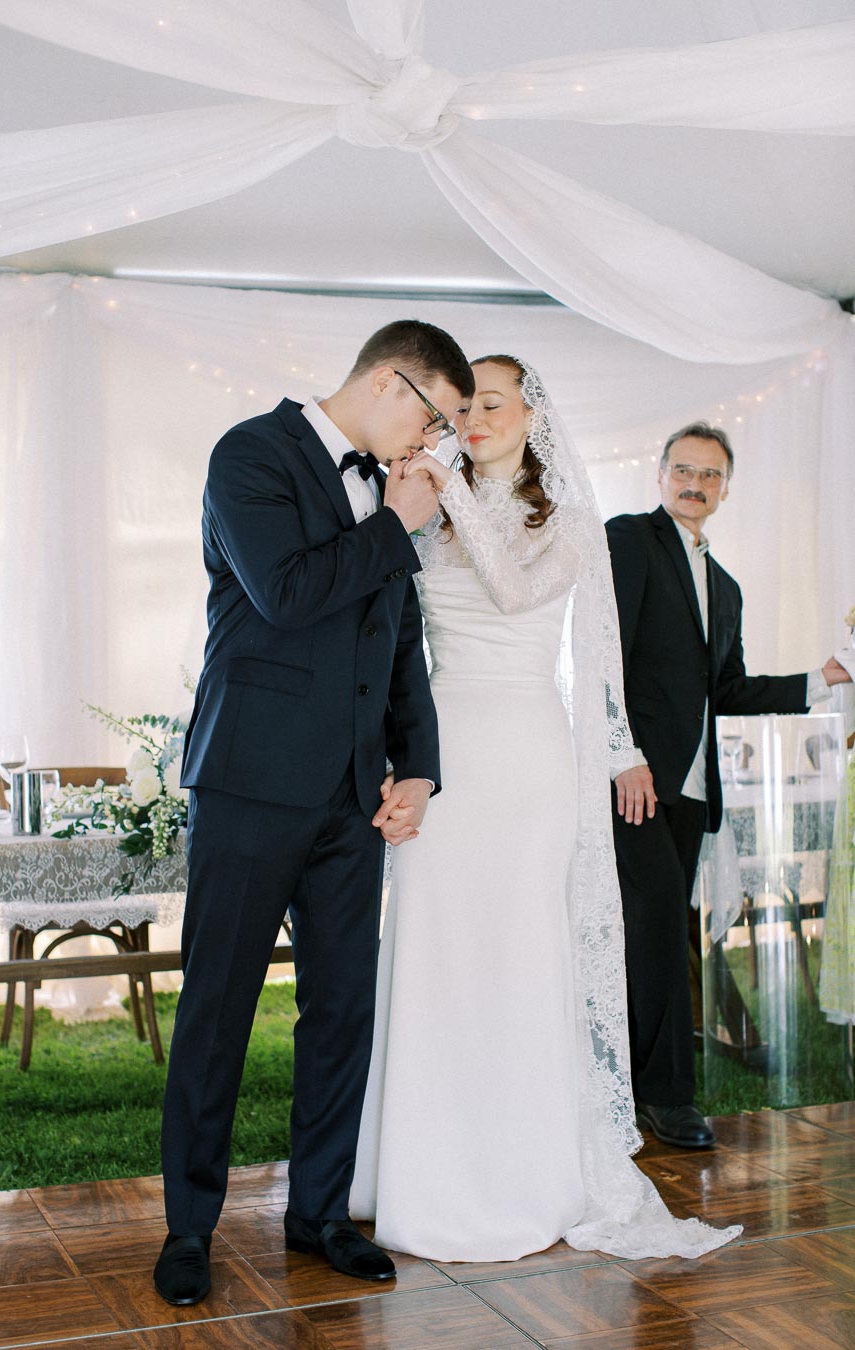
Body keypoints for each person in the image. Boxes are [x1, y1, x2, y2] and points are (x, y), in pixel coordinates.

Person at [350, 356, 741, 1262]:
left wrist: (448, 489)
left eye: (492, 403)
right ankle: (412, 1162)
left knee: (520, 948)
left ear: (533, 416)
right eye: (462, 405)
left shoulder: (566, 520)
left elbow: (516, 592)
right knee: (432, 942)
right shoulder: (418, 503)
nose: (472, 418)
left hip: (525, 754)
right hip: (439, 752)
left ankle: (520, 1169)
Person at [154, 320, 475, 1306]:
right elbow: (286, 595)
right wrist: (398, 525)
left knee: (341, 1011)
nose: (440, 445)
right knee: (218, 1010)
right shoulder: (250, 453)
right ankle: (190, 1230)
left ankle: (321, 1215)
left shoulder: (391, 494)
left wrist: (417, 768)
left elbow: (397, 643)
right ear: (390, 385)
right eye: (440, 419)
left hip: (354, 798)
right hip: (249, 784)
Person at [606, 423, 852, 1149]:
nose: (695, 484)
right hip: (632, 780)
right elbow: (601, 652)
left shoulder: (728, 586)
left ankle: (629, 1084)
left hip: (690, 795)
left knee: (656, 936)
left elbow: (732, 690)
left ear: (724, 489)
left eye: (711, 476)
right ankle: (668, 1097)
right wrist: (623, 753)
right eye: (683, 469)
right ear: (658, 475)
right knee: (651, 937)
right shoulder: (630, 540)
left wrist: (825, 678)